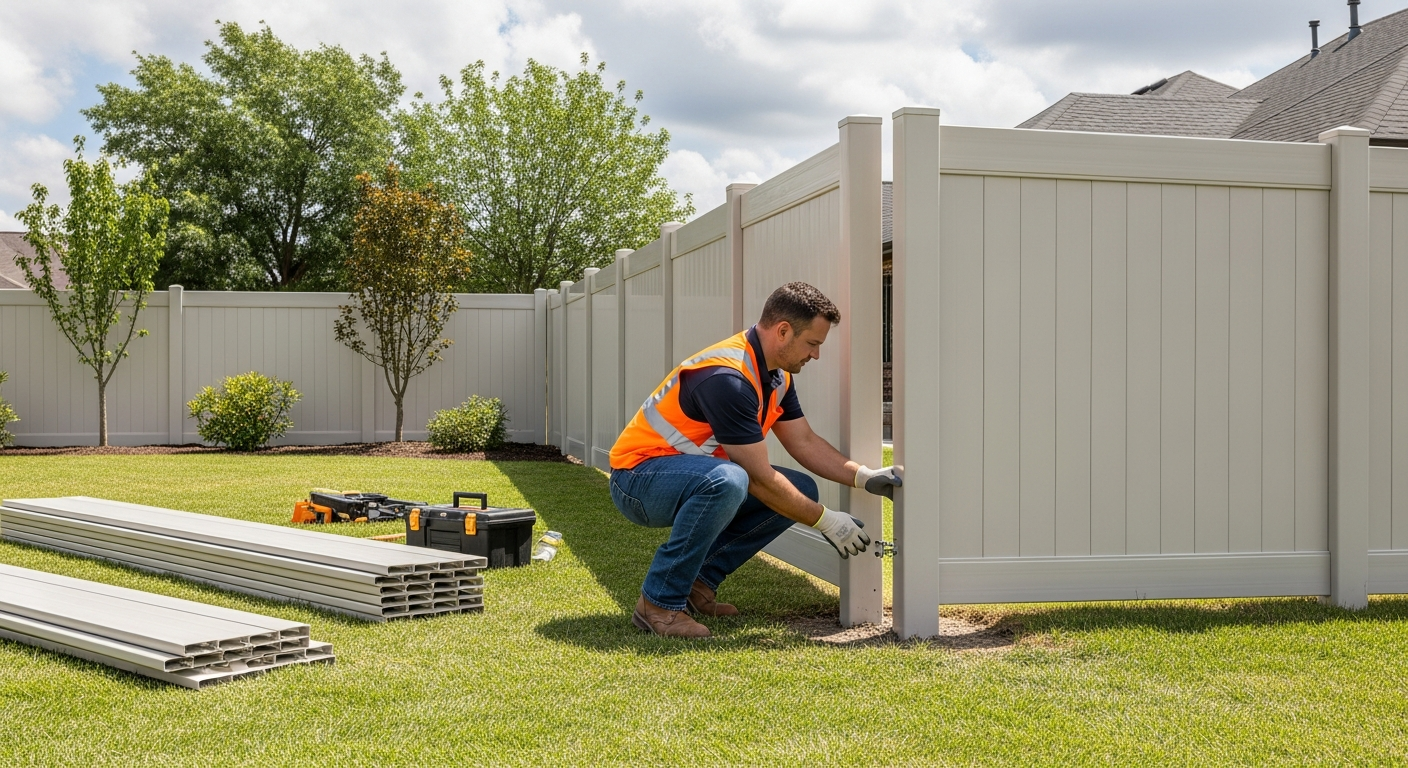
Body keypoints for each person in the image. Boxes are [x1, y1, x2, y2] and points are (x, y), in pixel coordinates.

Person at [608, 282, 902, 638]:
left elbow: (804, 441)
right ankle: (658, 604)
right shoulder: (727, 378)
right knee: (728, 480)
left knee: (800, 488)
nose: (816, 355)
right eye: (813, 343)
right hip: (637, 480)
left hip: (684, 477)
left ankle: (698, 586)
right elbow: (758, 478)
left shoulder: (776, 376)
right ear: (783, 331)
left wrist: (863, 476)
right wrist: (827, 521)